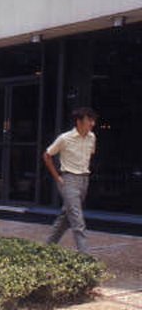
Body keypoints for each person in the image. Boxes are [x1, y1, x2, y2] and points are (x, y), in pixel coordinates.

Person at [43, 107, 97, 254]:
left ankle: (46, 248)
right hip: (68, 180)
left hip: (84, 180)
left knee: (66, 218)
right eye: (89, 120)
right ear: (79, 122)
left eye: (93, 120)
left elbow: (89, 155)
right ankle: (85, 257)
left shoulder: (92, 138)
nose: (92, 123)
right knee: (77, 220)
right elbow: (47, 155)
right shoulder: (64, 138)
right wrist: (57, 177)